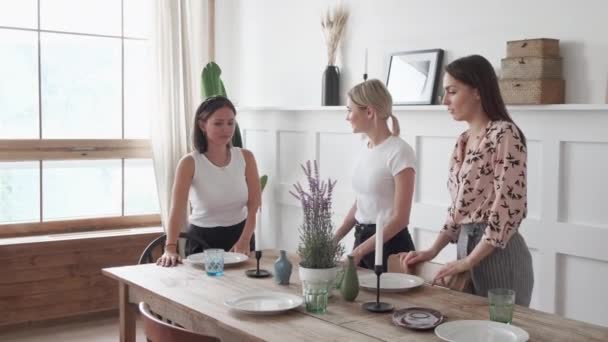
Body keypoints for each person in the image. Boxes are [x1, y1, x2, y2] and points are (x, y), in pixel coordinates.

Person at [400, 55, 534, 306]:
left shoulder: (504, 134)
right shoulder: (463, 140)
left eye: (452, 91)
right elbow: (459, 210)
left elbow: (508, 209)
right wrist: (432, 250)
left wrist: (470, 260)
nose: (444, 101)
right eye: (444, 92)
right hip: (465, 246)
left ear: (477, 91)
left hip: (499, 254)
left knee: (500, 331)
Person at [157, 95, 261, 267]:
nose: (226, 129)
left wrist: (244, 239)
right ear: (202, 125)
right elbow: (177, 209)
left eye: (230, 122)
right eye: (218, 123)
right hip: (202, 240)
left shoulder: (246, 157)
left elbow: (255, 203)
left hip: (241, 236)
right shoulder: (189, 163)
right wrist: (170, 247)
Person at [334, 79, 417, 271]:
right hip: (361, 241)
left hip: (390, 247)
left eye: (349, 110)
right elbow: (361, 203)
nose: (347, 117)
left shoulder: (399, 151)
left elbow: (400, 219)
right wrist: (334, 239)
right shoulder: (365, 148)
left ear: (369, 112)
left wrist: (359, 252)